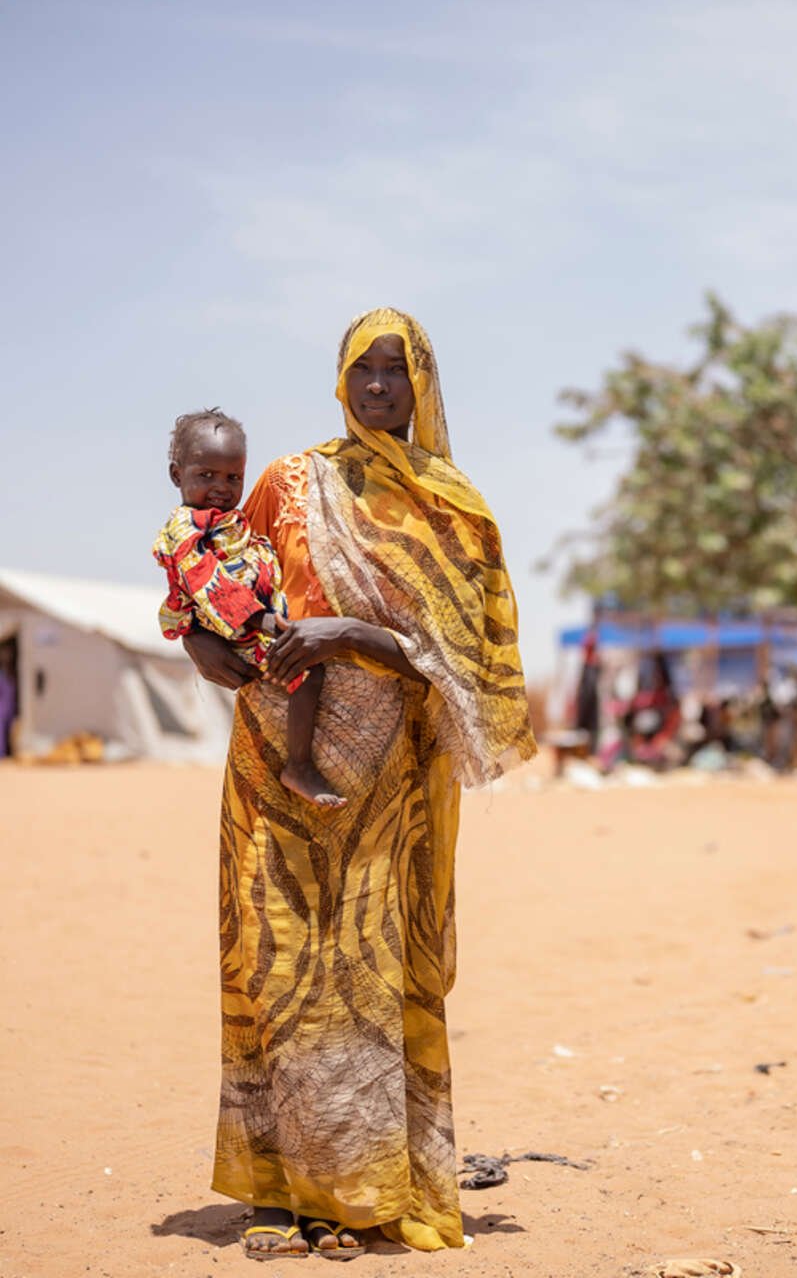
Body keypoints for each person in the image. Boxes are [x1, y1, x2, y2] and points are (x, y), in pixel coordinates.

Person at [181, 309, 536, 1259]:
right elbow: (221, 585)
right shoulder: (288, 482)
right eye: (364, 368)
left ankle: (357, 1193)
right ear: (341, 378)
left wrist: (347, 635)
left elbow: (469, 660)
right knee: (275, 961)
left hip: (383, 781)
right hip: (271, 765)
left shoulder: (450, 508)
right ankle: (275, 1192)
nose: (380, 386)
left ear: (423, 386)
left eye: (398, 370)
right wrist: (201, 643)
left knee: (361, 977)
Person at [154, 409, 344, 808]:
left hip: (251, 623)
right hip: (235, 630)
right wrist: (265, 619)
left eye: (233, 477)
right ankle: (298, 765)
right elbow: (207, 580)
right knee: (307, 671)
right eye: (206, 475)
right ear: (177, 475)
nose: (221, 487)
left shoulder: (228, 521)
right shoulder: (186, 528)